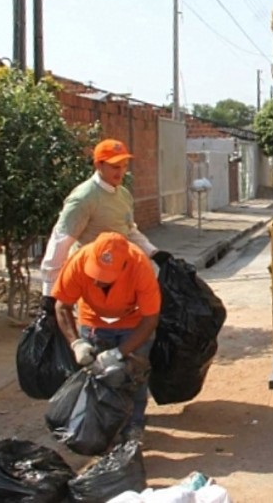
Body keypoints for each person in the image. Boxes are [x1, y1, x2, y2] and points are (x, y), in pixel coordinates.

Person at [39, 138, 171, 315]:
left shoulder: (123, 194)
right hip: (91, 279)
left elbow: (129, 229)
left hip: (120, 277)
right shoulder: (84, 198)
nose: (121, 171)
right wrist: (49, 294)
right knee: (92, 330)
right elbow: (60, 241)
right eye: (115, 166)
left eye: (124, 166)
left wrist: (153, 252)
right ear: (99, 165)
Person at [52, 231, 161, 443]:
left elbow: (150, 319)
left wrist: (120, 352)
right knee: (97, 378)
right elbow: (62, 306)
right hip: (93, 322)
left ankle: (133, 427)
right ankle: (99, 427)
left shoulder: (140, 266)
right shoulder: (78, 262)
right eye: (95, 274)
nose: (97, 281)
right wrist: (77, 343)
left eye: (105, 277)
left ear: (123, 267)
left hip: (133, 323)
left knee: (134, 377)